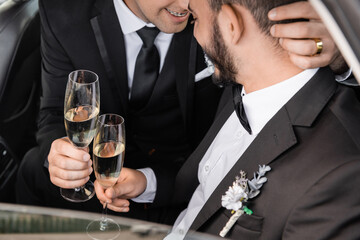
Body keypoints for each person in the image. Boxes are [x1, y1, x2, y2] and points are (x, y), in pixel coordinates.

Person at [16, 0, 348, 223]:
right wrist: (60, 156)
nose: (188, 3)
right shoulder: (63, 10)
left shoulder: (212, 17)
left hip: (182, 188)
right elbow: (51, 113)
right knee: (31, 170)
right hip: (94, 180)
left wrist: (341, 54)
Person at [95, 0, 360, 238]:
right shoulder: (239, 88)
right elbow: (203, 192)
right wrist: (147, 184)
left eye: (195, 18)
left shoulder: (337, 177)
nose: (191, 27)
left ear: (232, 25)